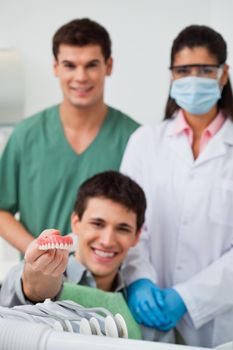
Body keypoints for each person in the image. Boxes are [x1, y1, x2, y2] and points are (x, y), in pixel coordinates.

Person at [120, 25, 233, 348]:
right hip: (148, 311)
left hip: (220, 321)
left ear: (223, 75)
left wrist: (187, 298)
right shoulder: (145, 142)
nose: (193, 79)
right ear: (171, 76)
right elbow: (128, 223)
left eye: (205, 70)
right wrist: (139, 280)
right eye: (183, 70)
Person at [0, 18, 139, 254]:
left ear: (109, 65)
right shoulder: (26, 136)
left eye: (92, 65)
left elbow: (142, 222)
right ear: (56, 67)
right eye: (70, 65)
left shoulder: (135, 138)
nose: (81, 77)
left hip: (108, 283)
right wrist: (37, 251)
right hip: (39, 281)